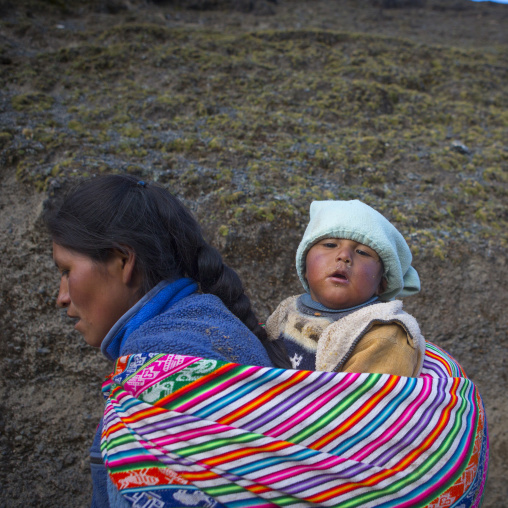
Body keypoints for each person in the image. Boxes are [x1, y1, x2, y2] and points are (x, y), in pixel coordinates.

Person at [45, 174, 290, 508]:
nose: (61, 297)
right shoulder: (211, 327)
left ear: (122, 260)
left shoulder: (154, 370)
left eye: (66, 271)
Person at [266, 199, 426, 377]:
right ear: (304, 267)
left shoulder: (384, 335)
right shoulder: (286, 311)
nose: (344, 256)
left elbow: (364, 401)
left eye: (362, 252)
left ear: (382, 284)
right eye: (329, 245)